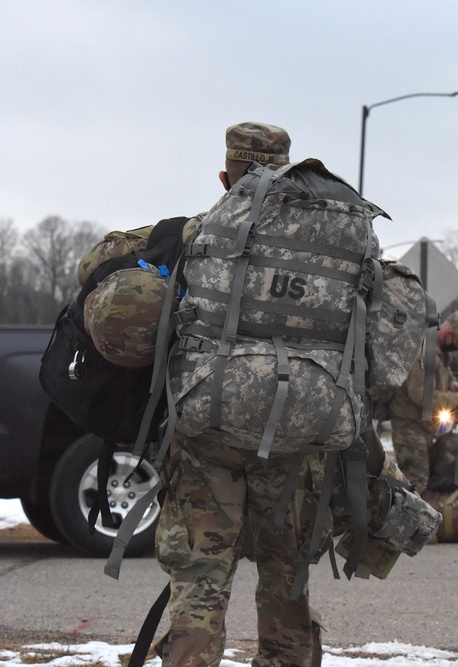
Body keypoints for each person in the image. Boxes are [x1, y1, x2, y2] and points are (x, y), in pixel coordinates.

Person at [154, 122, 332, 667]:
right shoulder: (331, 243)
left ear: (225, 174)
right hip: (295, 433)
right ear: (288, 173)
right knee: (287, 574)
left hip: (208, 427)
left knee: (202, 575)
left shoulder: (197, 233)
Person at [389, 310, 458, 494]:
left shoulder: (440, 352)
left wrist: (453, 385)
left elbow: (443, 373)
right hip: (409, 425)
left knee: (424, 479)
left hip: (423, 425)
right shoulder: (424, 352)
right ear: (449, 333)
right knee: (415, 482)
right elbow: (419, 393)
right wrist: (455, 399)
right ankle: (404, 521)